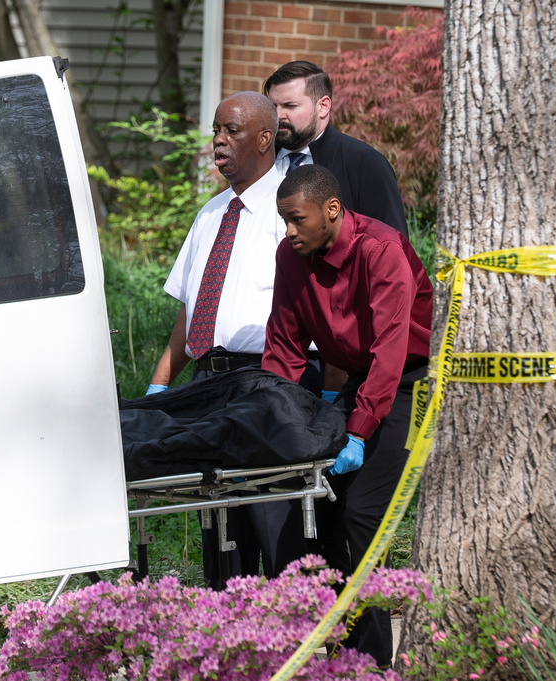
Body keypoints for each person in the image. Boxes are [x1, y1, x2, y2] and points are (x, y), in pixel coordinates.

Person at [261, 164, 433, 669]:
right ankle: (334, 655)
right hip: (362, 380)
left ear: (331, 211)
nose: (288, 232)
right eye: (284, 220)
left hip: (411, 378)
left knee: (361, 514)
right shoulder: (291, 257)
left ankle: (373, 662)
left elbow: (391, 351)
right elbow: (285, 347)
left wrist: (357, 431)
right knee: (322, 511)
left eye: (296, 220)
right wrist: (274, 418)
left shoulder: (382, 249)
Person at [146, 91, 311, 587]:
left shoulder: (292, 211)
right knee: (218, 523)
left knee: (271, 517)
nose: (218, 141)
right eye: (216, 130)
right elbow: (190, 312)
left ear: (265, 138)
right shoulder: (210, 215)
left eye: (231, 131)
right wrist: (160, 386)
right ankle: (227, 641)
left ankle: (293, 640)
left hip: (267, 380)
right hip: (207, 385)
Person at [263, 60, 408, 237]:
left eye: (290, 106)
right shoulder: (257, 159)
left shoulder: (364, 165)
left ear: (323, 106)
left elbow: (391, 248)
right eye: (273, 106)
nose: (278, 115)